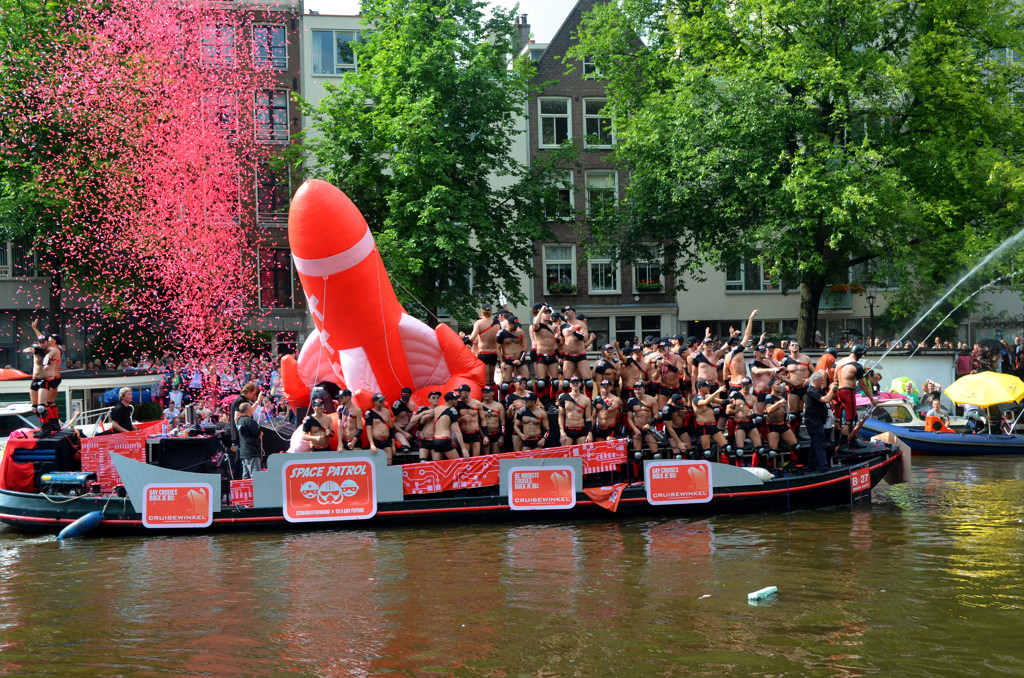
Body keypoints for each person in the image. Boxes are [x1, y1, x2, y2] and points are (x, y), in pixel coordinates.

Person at [804, 371, 838, 472]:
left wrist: (834, 390)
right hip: (813, 421)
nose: (822, 383)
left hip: (818, 421)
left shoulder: (818, 390)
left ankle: (811, 466)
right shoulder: (811, 390)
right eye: (821, 381)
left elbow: (830, 396)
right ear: (815, 381)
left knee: (815, 444)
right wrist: (831, 389)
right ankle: (823, 467)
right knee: (820, 444)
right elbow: (825, 399)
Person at [468, 303, 501, 385]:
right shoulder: (497, 323)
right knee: (492, 381)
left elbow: (472, 338)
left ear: (482, 312)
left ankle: (485, 397)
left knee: (485, 381)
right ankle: (494, 397)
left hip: (483, 353)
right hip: (493, 353)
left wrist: (463, 341)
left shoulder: (479, 323)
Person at [433, 391, 468, 460]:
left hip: (436, 440)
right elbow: (457, 431)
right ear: (449, 401)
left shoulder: (436, 409)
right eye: (455, 399)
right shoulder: (452, 411)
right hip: (445, 440)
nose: (457, 401)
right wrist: (464, 449)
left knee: (437, 466)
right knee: (458, 464)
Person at [558, 375, 592, 445]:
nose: (575, 384)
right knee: (566, 453)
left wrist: (590, 433)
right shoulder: (564, 398)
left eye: (577, 382)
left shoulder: (586, 400)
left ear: (580, 384)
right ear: (570, 385)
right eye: (573, 383)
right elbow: (561, 415)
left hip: (581, 430)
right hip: (568, 429)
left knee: (583, 452)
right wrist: (562, 431)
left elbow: (588, 418)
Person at [365, 392, 396, 463]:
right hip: (376, 441)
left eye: (383, 400)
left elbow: (391, 428)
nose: (382, 402)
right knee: (377, 463)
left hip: (386, 441)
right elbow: (368, 429)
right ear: (375, 402)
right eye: (380, 401)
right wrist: (372, 444)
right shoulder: (370, 413)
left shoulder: (387, 411)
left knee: (389, 463)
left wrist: (393, 445)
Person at [236, 402, 263, 479]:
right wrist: (261, 433)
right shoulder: (249, 421)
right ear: (248, 409)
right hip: (251, 452)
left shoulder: (239, 420)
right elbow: (258, 433)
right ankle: (256, 491)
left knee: (245, 477)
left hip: (244, 451)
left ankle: (246, 490)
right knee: (255, 477)